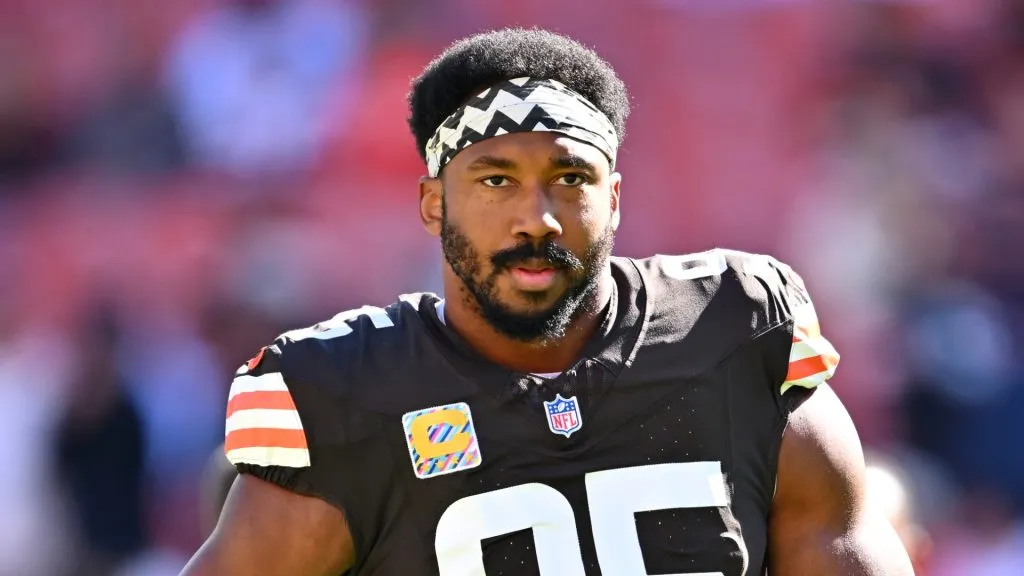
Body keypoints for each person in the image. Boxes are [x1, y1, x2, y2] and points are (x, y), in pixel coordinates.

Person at [182, 28, 914, 576]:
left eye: (570, 178)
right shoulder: (344, 395)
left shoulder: (734, 334)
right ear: (434, 204)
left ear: (616, 199)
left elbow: (844, 547)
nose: (537, 218)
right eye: (495, 181)